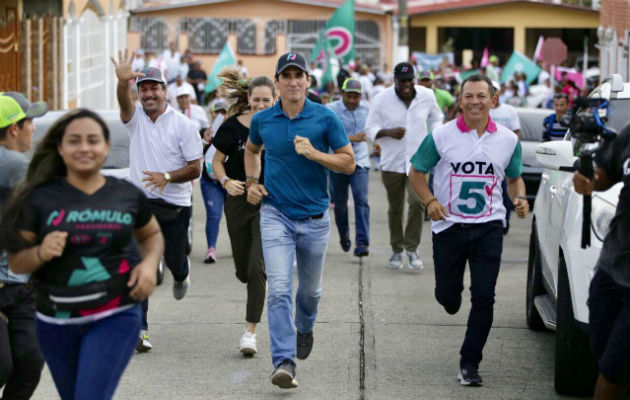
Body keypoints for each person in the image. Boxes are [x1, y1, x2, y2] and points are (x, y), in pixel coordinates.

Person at [0, 108, 163, 400]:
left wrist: (150, 265)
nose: (84, 147)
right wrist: (40, 251)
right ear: (60, 148)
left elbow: (150, 234)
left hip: (115, 313)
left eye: (93, 140)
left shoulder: (126, 194)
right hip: (55, 320)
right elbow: (17, 260)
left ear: (106, 146)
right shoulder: (37, 198)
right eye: (74, 141)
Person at [408, 74, 529, 387]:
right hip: (448, 227)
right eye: (469, 96)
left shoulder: (508, 140)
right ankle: (449, 297)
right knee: (448, 297)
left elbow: (515, 178)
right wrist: (430, 200)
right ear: (459, 101)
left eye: (481, 96)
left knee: (485, 297)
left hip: (489, 229)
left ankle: (469, 363)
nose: (475, 101)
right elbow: (417, 172)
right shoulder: (441, 136)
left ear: (493, 100)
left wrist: (519, 199)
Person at [244, 52, 355, 389]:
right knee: (278, 289)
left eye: (299, 75)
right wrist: (252, 182)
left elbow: (348, 163)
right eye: (286, 75)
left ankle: (304, 327)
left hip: (315, 219)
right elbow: (251, 150)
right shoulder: (263, 120)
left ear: (308, 81)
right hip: (275, 214)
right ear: (276, 82)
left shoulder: (325, 118)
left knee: (309, 292)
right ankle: (284, 361)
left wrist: (315, 154)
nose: (293, 81)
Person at [111, 50, 203, 350]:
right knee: (138, 264)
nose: (148, 93)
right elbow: (124, 103)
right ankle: (140, 330)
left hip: (175, 204)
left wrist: (166, 176)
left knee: (174, 260)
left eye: (154, 88)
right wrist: (123, 82)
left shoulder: (184, 126)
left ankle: (181, 272)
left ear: (165, 91)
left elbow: (195, 167)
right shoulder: (135, 119)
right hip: (141, 206)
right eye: (143, 89)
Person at [211, 68, 275, 355]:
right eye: (257, 100)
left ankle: (250, 332)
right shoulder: (232, 126)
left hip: (268, 203)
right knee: (242, 270)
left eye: (266, 101)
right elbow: (215, 161)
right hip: (237, 202)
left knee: (256, 268)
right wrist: (225, 182)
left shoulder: (280, 126)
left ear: (275, 100)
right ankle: (252, 284)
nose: (261, 106)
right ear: (248, 98)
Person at [365, 61, 443, 270]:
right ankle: (396, 250)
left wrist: (434, 137)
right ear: (395, 80)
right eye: (402, 81)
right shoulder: (382, 99)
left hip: (419, 161)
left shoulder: (427, 95)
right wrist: (387, 132)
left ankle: (412, 248)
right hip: (392, 161)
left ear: (414, 80)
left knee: (418, 204)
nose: (406, 85)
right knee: (395, 208)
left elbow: (437, 118)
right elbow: (370, 128)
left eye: (410, 81)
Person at [573, 124, 629, 400]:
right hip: (613, 265)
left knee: (613, 369)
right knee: (602, 348)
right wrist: (590, 180)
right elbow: (606, 173)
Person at [0, 92, 47, 399]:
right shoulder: (16, 165)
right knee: (9, 366)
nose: (34, 128)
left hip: (20, 286)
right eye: (30, 121)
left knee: (29, 362)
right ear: (14, 129)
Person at [327, 78, 371, 257]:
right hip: (337, 162)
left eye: (356, 97)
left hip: (359, 161)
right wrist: (352, 138)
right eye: (349, 96)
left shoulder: (368, 110)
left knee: (361, 200)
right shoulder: (331, 110)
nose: (352, 100)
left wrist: (377, 143)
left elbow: (373, 130)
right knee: (340, 204)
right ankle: (344, 234)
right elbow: (328, 134)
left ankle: (362, 243)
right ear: (342, 94)